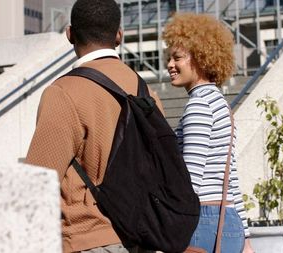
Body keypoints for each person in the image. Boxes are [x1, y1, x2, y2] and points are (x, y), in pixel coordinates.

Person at [25, 0, 163, 252]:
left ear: (70, 34)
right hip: (143, 238)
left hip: (88, 239)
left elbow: (37, 182)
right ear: (119, 35)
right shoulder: (146, 93)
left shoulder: (63, 93)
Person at [163, 13, 255, 253]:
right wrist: (245, 238)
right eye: (169, 58)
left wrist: (171, 227)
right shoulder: (221, 103)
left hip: (203, 220)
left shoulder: (199, 105)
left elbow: (190, 179)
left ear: (201, 58)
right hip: (229, 218)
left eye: (178, 57)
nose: (170, 65)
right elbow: (231, 178)